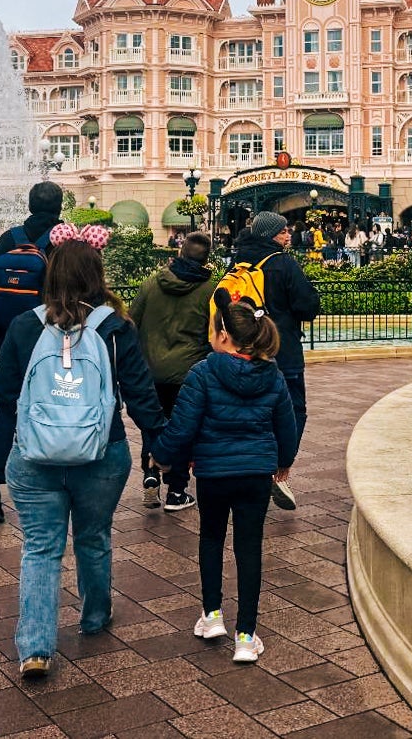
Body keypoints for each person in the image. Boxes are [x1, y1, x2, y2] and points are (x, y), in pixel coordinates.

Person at [0, 231, 168, 680]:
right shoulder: (115, 328)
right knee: (93, 537)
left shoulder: (25, 326)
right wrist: (162, 446)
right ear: (97, 276)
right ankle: (94, 616)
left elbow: (4, 391)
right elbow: (141, 395)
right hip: (102, 451)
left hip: (34, 456)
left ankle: (35, 648)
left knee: (40, 548)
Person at [151, 290, 296, 664]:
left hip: (213, 472)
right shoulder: (273, 375)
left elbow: (182, 426)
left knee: (211, 538)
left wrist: (162, 457)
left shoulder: (203, 373)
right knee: (249, 548)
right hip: (256, 474)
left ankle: (212, 614)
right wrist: (283, 462)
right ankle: (246, 636)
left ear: (224, 336)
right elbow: (287, 424)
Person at [0, 181, 65, 524]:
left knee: (6, 409)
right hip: (52, 336)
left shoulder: (8, 238)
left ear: (29, 205)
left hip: (11, 337)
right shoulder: (64, 239)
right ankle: (48, 488)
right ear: (59, 207)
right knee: (53, 407)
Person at [226, 212, 319, 509]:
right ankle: (279, 471)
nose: (288, 235)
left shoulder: (238, 263)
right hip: (283, 351)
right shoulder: (283, 264)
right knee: (293, 411)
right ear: (269, 235)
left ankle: (249, 468)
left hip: (246, 351)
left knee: (253, 410)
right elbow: (307, 306)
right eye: (282, 232)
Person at [129, 232, 217, 511]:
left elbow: (130, 322)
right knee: (183, 430)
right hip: (189, 374)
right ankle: (176, 491)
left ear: (180, 252)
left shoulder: (152, 283)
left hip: (150, 371)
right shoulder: (210, 290)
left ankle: (151, 473)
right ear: (206, 259)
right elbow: (215, 335)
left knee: (152, 425)